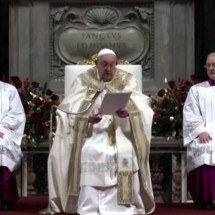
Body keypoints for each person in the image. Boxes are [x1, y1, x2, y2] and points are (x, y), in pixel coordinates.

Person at [47, 48, 155, 214]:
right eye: (104, 64)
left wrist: (129, 112)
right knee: (91, 151)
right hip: (92, 134)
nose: (108, 69)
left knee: (124, 151)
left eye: (112, 65)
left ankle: (123, 207)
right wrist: (86, 118)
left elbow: (143, 105)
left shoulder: (127, 80)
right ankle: (90, 205)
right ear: (96, 64)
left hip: (121, 133)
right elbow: (69, 108)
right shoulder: (83, 80)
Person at [183, 52, 215, 210]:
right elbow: (190, 113)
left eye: (214, 65)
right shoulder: (196, 90)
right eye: (208, 65)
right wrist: (200, 130)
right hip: (205, 133)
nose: (211, 68)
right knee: (204, 148)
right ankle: (207, 199)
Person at [0, 80, 26, 210]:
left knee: (2, 145)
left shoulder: (8, 90)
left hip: (4, 131)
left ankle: (6, 197)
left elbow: (16, 115)